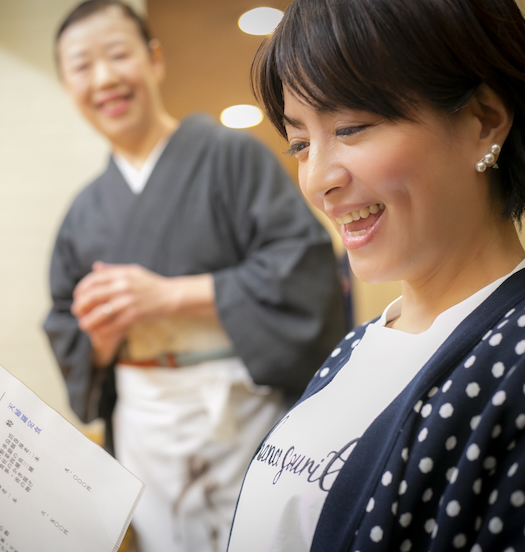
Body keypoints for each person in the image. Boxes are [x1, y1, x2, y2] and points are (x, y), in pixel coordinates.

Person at [227, 0, 525, 551]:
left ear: (483, 121)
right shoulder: (357, 347)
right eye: (300, 143)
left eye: (351, 127)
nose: (317, 178)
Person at [43, 1, 346, 551]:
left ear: (154, 60)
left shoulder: (232, 157)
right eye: (83, 66)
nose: (105, 77)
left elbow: (304, 266)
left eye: (117, 55)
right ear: (67, 85)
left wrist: (167, 296)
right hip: (144, 425)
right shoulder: (81, 213)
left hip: (239, 409)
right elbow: (66, 327)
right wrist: (102, 337)